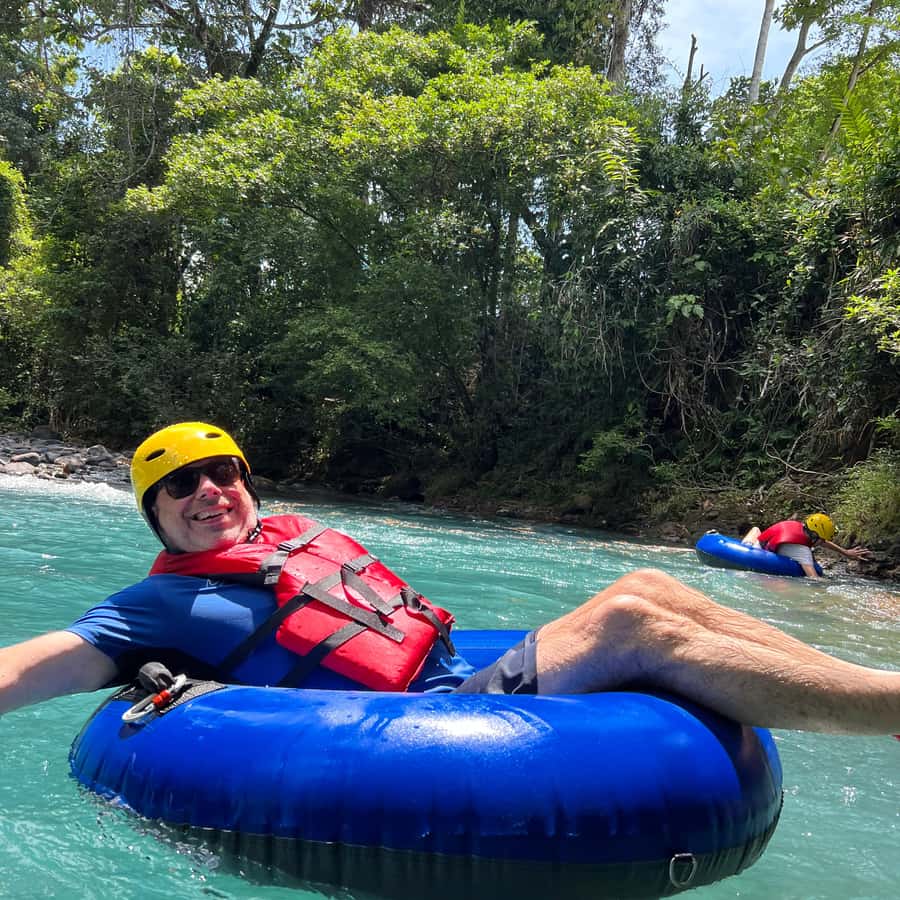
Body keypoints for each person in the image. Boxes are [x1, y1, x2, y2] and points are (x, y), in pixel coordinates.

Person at [1, 422, 898, 736]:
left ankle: (867, 693)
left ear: (250, 486)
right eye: (180, 488)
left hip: (445, 680)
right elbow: (45, 659)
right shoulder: (153, 604)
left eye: (224, 474)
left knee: (649, 585)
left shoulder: (286, 542)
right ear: (155, 517)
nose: (209, 493)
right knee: (633, 619)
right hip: (417, 723)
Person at [742, 514, 873, 579]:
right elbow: (813, 577)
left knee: (755, 529)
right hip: (755, 555)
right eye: (821, 539)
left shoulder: (798, 526)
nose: (823, 542)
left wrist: (845, 552)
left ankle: (746, 544)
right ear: (815, 536)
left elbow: (822, 541)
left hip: (757, 544)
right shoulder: (802, 550)